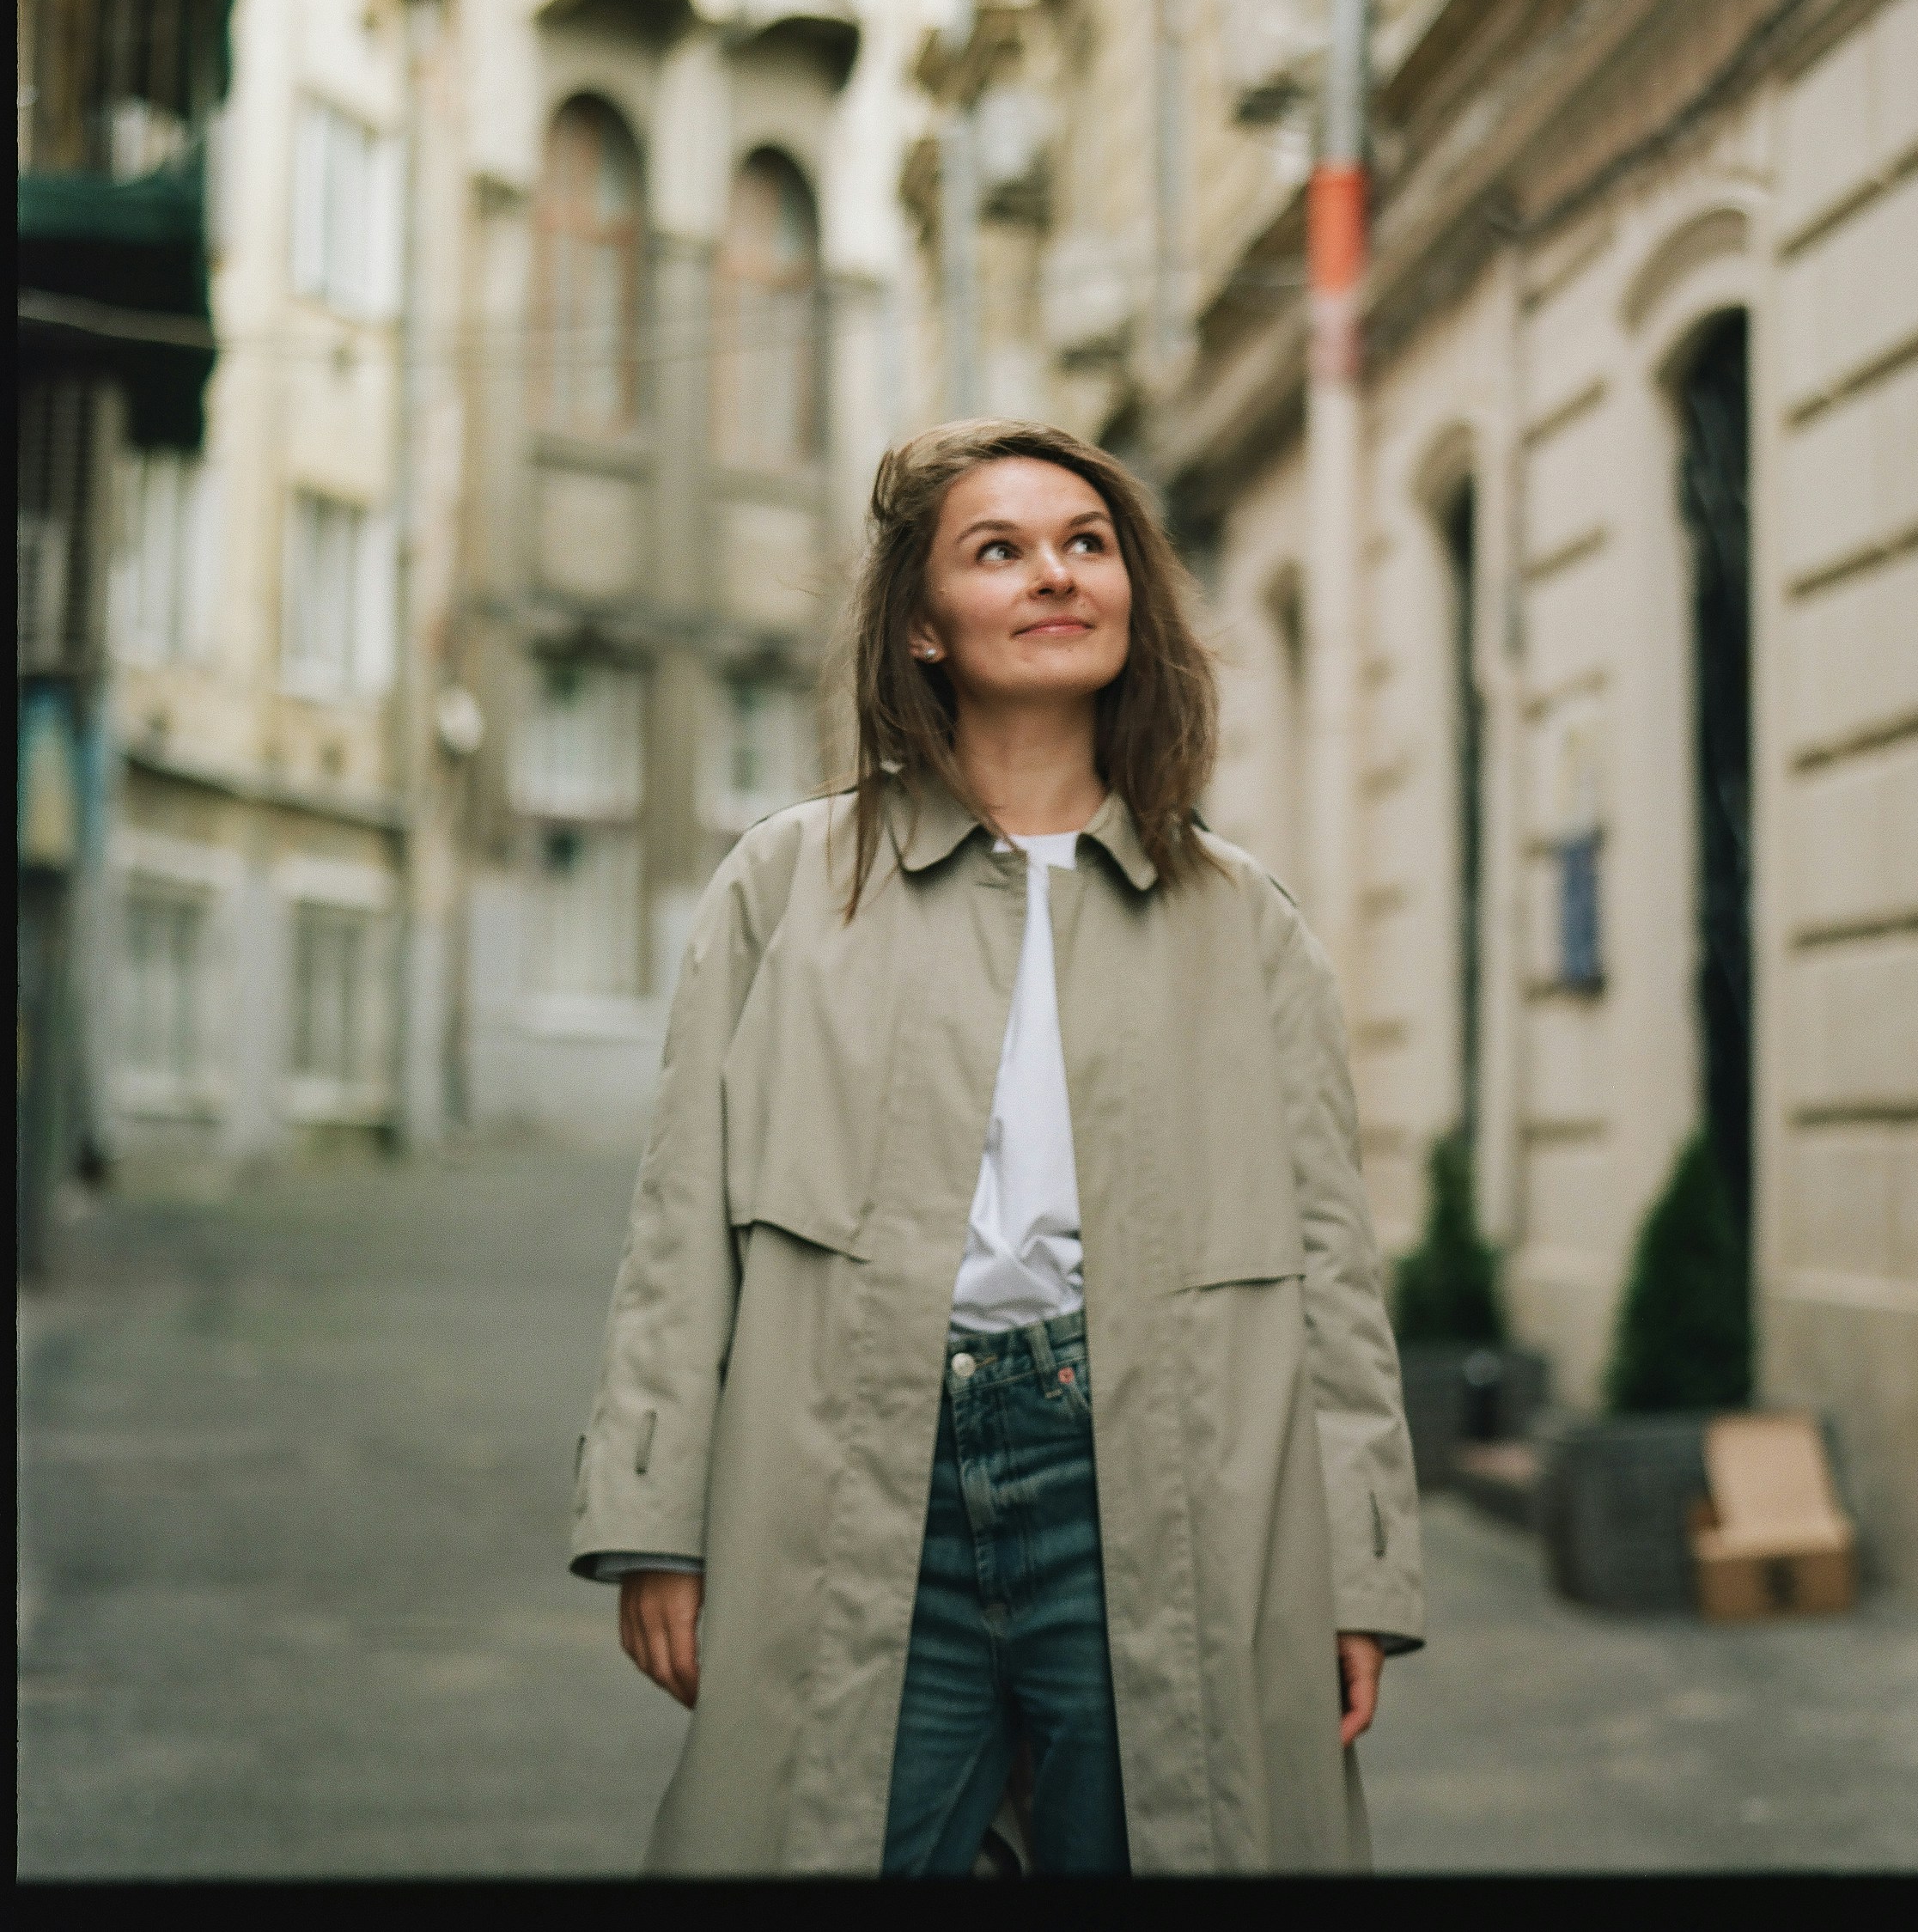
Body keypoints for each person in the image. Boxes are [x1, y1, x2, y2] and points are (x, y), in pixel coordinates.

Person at [570, 420, 1424, 1874]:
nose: (1055, 574)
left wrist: (1359, 1562)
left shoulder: (1245, 922)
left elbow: (1330, 1272)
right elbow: (680, 1228)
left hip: (1150, 1478)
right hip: (851, 1467)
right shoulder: (785, 888)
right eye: (1000, 548)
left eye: (1086, 543)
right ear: (919, 622)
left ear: (1132, 598)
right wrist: (656, 1515)